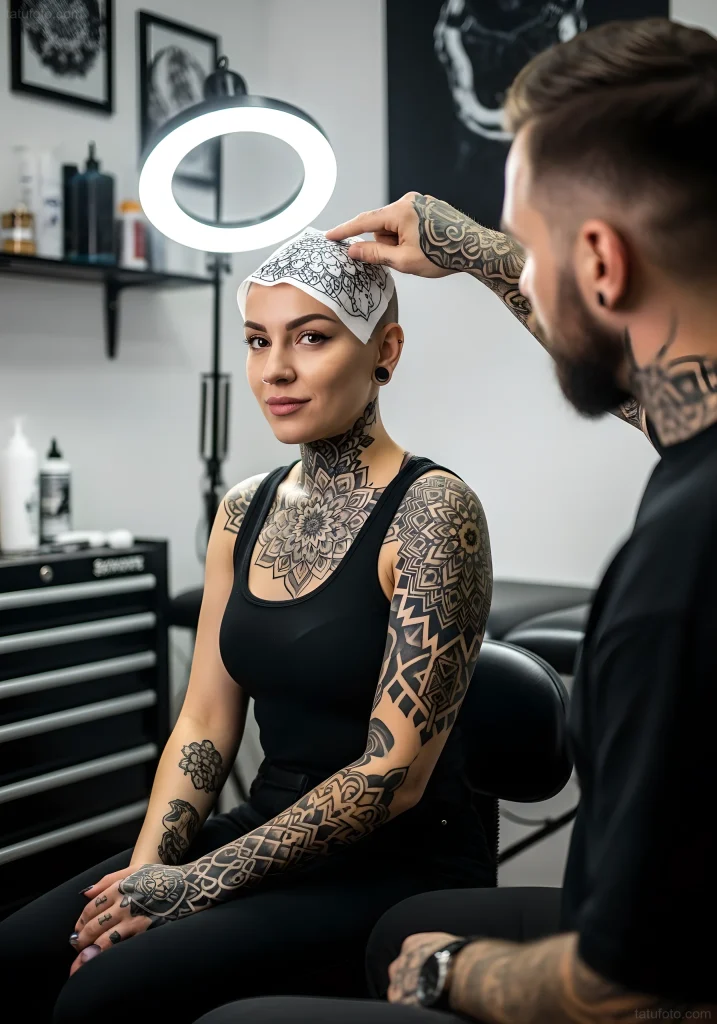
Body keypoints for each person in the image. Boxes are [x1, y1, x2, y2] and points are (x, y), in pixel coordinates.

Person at [192, 15, 717, 1024]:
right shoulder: (698, 440)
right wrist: (479, 245)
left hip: (642, 986)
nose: (278, 367)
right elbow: (662, 394)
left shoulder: (674, 579)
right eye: (259, 341)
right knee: (403, 924)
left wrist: (450, 972)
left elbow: (638, 994)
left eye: (534, 249)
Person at [0, 229, 494, 1023]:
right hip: (261, 825)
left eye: (312, 337)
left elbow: (391, 777)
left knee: (101, 996)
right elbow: (203, 720)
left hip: (395, 861)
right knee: (22, 954)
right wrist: (148, 873)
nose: (276, 370)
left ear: (384, 350)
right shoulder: (244, 509)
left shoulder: (433, 512)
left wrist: (193, 885)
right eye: (258, 341)